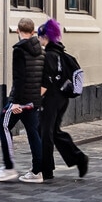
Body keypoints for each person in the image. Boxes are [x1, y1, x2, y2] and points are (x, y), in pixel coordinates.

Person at [0, 17, 47, 183]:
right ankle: (37, 171)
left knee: (4, 125)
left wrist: (15, 102)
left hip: (20, 99)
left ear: (17, 31)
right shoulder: (43, 51)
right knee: (33, 133)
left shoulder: (19, 49)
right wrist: (37, 97)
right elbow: (44, 79)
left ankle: (9, 167)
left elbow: (19, 77)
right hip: (34, 100)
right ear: (33, 32)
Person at [36, 18, 88, 179]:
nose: (38, 40)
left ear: (45, 37)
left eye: (39, 36)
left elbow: (45, 82)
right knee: (53, 131)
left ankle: (46, 170)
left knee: (45, 133)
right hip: (62, 100)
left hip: (49, 100)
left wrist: (35, 98)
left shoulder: (47, 56)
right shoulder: (65, 57)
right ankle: (79, 158)